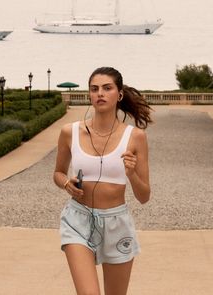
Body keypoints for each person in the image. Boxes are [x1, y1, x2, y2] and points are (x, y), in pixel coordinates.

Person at [53, 67, 152, 295]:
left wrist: (131, 174)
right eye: (94, 89)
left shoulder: (135, 137)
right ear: (89, 94)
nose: (100, 93)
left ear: (119, 95)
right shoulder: (70, 132)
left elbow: (144, 196)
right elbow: (58, 173)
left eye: (107, 88)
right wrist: (67, 184)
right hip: (78, 220)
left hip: (117, 222)